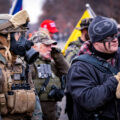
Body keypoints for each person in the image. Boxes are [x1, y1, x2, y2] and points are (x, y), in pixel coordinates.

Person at [66, 16, 120, 120]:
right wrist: (115, 81)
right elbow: (88, 100)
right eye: (108, 37)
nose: (115, 40)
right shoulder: (79, 67)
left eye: (115, 35)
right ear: (96, 43)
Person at [0, 10, 42, 120]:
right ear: (4, 38)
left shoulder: (21, 64)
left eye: (22, 34)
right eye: (18, 34)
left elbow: (35, 104)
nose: (23, 40)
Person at [30, 30, 69, 120]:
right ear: (35, 47)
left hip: (52, 111)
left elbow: (67, 72)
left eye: (51, 46)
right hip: (37, 112)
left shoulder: (50, 63)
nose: (50, 48)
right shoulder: (30, 63)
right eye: (46, 46)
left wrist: (57, 56)